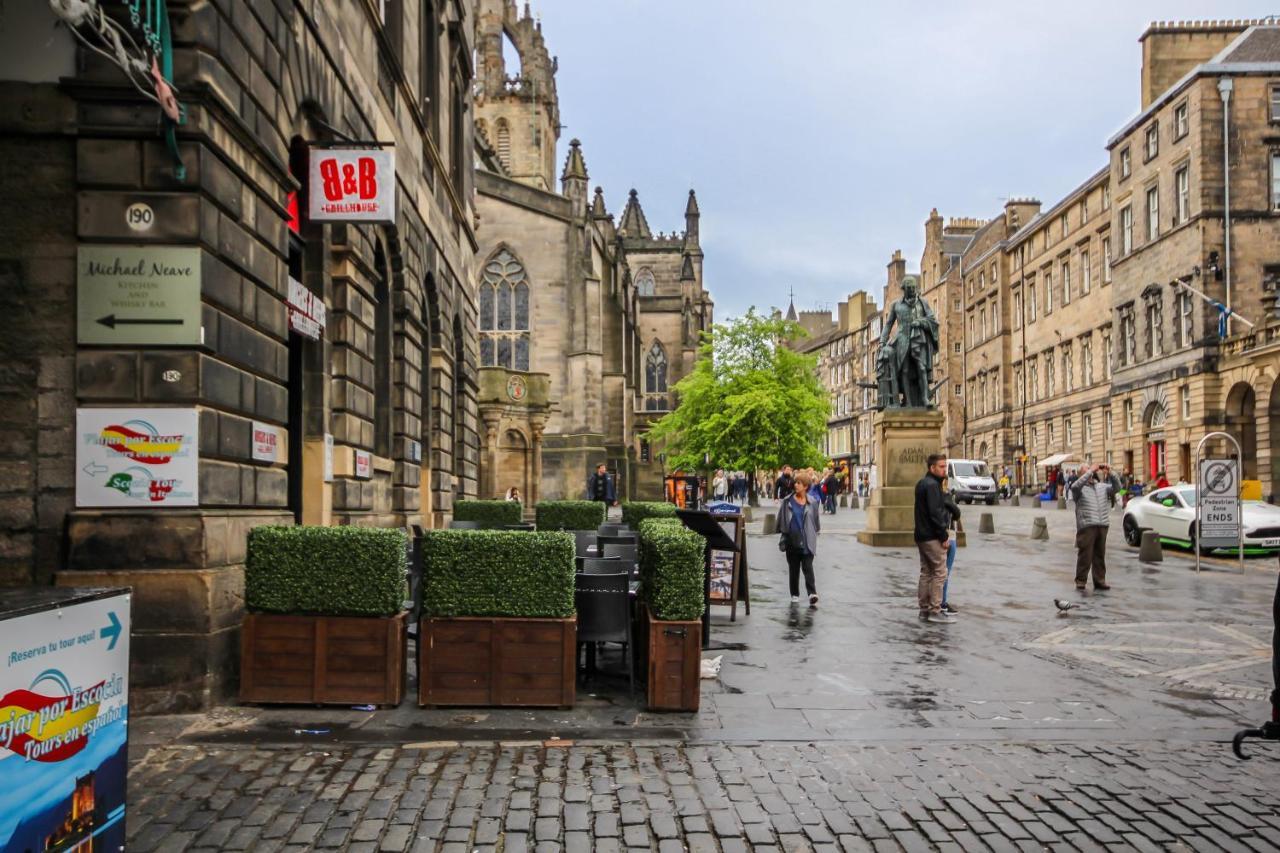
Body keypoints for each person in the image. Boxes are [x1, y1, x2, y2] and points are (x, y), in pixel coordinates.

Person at [914, 453, 954, 624]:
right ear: (932, 468)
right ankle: (935, 609)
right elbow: (935, 513)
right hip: (931, 536)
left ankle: (923, 609)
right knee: (939, 572)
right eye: (941, 466)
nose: (944, 469)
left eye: (945, 466)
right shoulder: (932, 486)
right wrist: (943, 535)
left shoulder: (922, 483)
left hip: (921, 535)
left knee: (926, 572)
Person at [1070, 462, 1119, 591]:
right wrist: (1090, 471)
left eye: (1090, 469)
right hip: (1087, 525)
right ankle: (1081, 581)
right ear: (1082, 474)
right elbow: (1075, 486)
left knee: (1099, 555)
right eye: (1086, 469)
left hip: (1102, 523)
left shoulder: (1101, 486)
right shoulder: (1078, 488)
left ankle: (1100, 580)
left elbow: (1118, 488)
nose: (1091, 472)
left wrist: (1111, 472)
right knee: (1085, 555)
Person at [777, 471, 821, 606]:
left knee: (808, 567)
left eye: (799, 483)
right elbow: (781, 519)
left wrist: (816, 531)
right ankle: (795, 594)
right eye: (795, 482)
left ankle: (812, 593)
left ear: (806, 486)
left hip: (807, 539)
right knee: (794, 569)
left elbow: (816, 520)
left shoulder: (812, 502)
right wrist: (783, 533)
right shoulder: (787, 501)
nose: (795, 485)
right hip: (792, 540)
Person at [939, 478, 962, 615]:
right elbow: (957, 513)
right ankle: (942, 602)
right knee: (945, 570)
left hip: (939, 534)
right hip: (947, 534)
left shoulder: (929, 494)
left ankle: (937, 601)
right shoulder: (944, 496)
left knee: (936, 571)